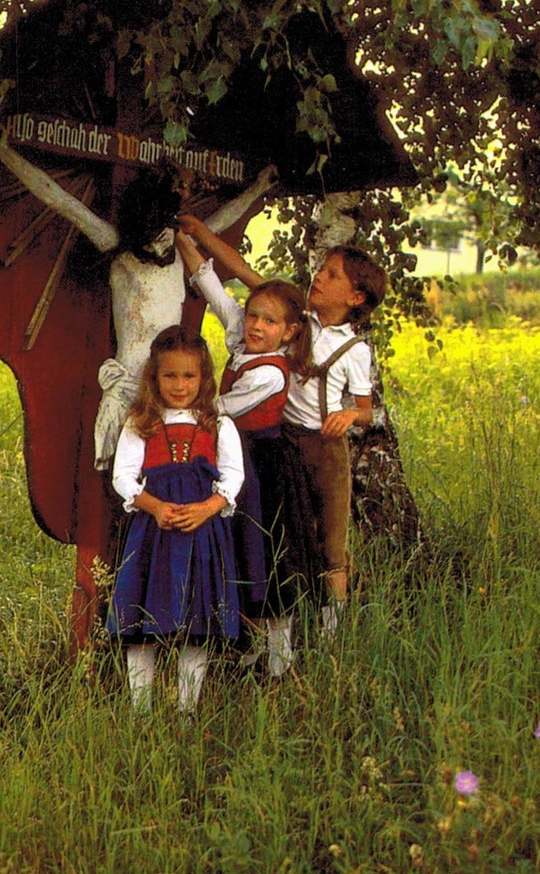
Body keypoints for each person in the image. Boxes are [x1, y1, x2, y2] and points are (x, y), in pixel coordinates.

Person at [0, 122, 277, 469]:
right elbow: (60, 200)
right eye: (156, 231)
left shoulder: (178, 249)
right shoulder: (117, 248)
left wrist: (257, 188)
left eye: (168, 229)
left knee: (175, 475)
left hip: (176, 388)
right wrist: (4, 151)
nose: (166, 238)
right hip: (131, 389)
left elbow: (219, 222)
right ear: (140, 227)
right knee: (126, 479)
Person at [178, 215, 386, 643]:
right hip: (284, 442)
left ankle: (332, 632)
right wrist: (201, 236)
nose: (319, 278)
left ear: (355, 296)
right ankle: (281, 621)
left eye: (331, 275)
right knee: (290, 532)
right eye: (321, 270)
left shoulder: (356, 349)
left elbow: (368, 411)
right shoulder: (295, 320)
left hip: (327, 450)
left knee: (332, 541)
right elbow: (243, 275)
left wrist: (349, 416)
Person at [175, 231, 303, 675]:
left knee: (267, 549)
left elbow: (219, 408)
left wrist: (169, 405)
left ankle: (280, 655)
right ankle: (253, 644)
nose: (256, 326)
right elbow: (212, 287)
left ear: (289, 332)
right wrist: (181, 239)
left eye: (269, 322)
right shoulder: (242, 340)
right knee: (241, 550)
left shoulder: (268, 373)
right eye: (253, 316)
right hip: (236, 457)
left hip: (263, 464)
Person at [107, 325, 245, 714]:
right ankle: (140, 710)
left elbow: (234, 476)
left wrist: (207, 508)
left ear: (203, 378)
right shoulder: (141, 423)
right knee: (141, 620)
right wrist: (154, 507)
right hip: (153, 533)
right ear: (155, 377)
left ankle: (187, 710)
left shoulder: (218, 425)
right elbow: (123, 476)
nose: (180, 385)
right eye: (170, 375)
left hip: (202, 534)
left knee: (197, 622)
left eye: (189, 376)